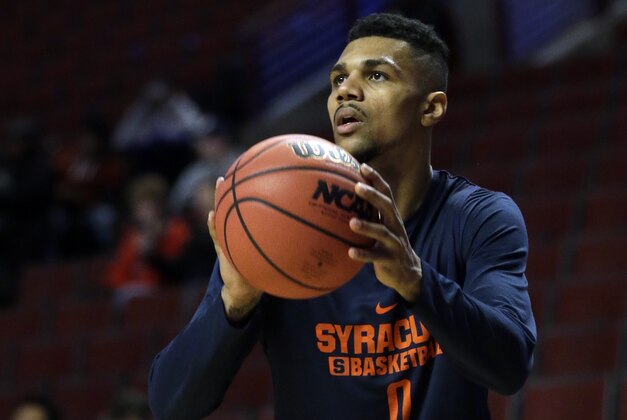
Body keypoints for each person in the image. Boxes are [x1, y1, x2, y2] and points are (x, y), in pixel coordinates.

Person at [148, 13, 536, 420]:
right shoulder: (273, 222)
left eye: (377, 76)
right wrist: (234, 304)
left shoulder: (479, 217)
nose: (346, 91)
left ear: (432, 107)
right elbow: (171, 406)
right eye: (337, 80)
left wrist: (416, 281)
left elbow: (510, 367)